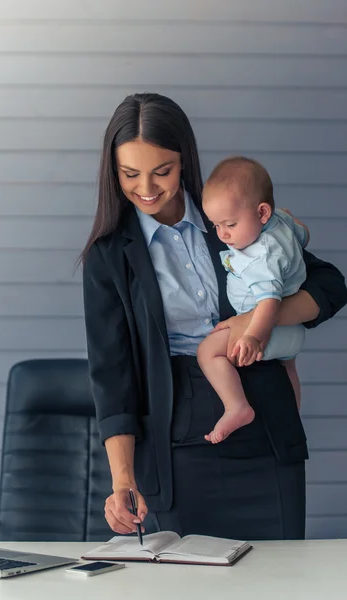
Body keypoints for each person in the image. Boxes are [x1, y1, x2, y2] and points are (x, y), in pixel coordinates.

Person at [82, 93, 347, 541]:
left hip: (266, 430)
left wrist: (263, 318)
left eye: (161, 171)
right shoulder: (109, 258)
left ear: (184, 160)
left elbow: (330, 286)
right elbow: (113, 376)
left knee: (280, 581)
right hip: (177, 441)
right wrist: (122, 480)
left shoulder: (229, 215)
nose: (146, 187)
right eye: (130, 174)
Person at [197, 156, 309, 444]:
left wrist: (254, 337)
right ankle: (292, 418)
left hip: (265, 326)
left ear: (262, 213)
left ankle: (236, 406)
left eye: (231, 224)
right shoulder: (280, 220)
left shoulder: (259, 257)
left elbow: (270, 301)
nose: (223, 234)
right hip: (292, 333)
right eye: (216, 225)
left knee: (208, 351)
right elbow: (303, 234)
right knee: (289, 371)